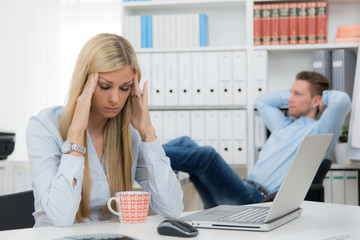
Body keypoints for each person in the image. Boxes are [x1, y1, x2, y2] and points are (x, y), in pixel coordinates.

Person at [26, 33, 183, 227]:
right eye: (105, 86)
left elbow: (173, 208)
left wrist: (147, 132)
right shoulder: (44, 127)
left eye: (124, 88)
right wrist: (76, 132)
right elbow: (61, 217)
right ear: (85, 84)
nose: (115, 99)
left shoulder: (129, 133)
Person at [163, 71, 352, 209]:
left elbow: (342, 101)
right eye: (290, 92)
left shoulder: (319, 132)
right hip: (242, 189)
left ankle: (142, 151)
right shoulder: (282, 125)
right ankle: (146, 155)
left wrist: (322, 97)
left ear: (316, 101)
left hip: (256, 201)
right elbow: (263, 100)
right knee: (186, 142)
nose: (289, 99)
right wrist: (298, 92)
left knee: (207, 156)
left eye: (297, 94)